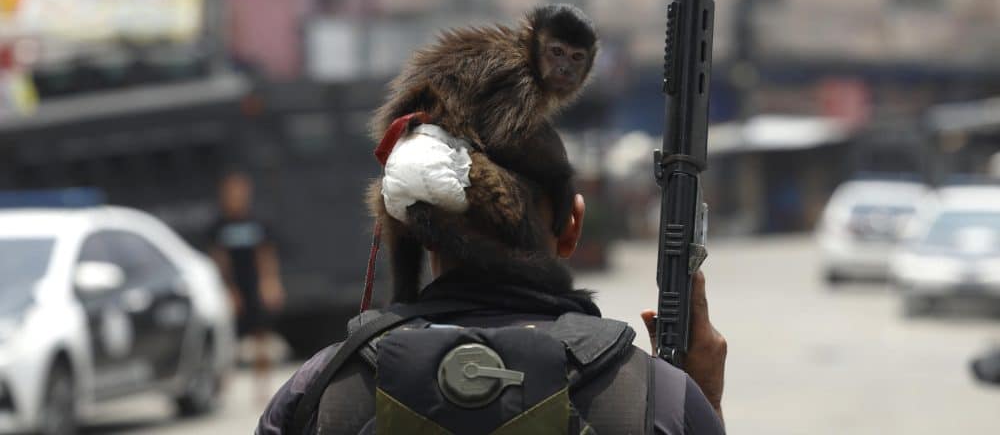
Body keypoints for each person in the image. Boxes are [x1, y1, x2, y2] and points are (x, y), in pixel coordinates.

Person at [257, 126, 727, 434]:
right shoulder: (654, 398)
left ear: (421, 229)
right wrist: (699, 400)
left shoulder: (319, 392)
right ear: (572, 227)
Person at [207, 170, 285, 400]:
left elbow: (266, 255)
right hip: (232, 287)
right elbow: (218, 259)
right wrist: (228, 290)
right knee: (228, 339)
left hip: (254, 287)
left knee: (261, 339)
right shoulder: (218, 226)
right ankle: (223, 387)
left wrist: (270, 283)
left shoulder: (258, 222)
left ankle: (261, 388)